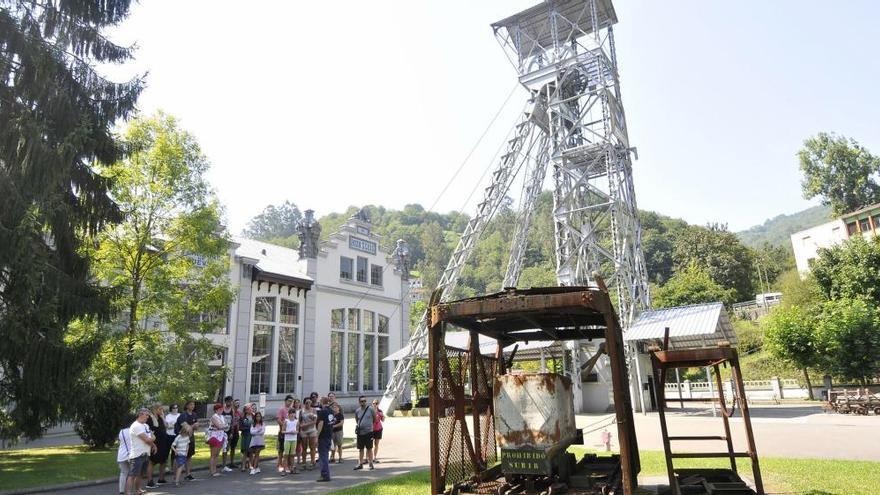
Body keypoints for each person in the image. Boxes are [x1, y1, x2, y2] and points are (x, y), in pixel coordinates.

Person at [126, 408, 157, 495]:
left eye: (148, 415)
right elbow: (147, 439)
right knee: (132, 475)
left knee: (140, 474)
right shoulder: (136, 426)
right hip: (137, 454)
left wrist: (154, 445)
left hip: (145, 453)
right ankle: (128, 493)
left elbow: (151, 435)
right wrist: (153, 439)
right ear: (140, 415)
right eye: (146, 415)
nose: (148, 417)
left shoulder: (145, 425)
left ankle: (138, 490)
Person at [145, 403, 169, 487]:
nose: (162, 411)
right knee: (152, 461)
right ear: (155, 409)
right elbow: (152, 429)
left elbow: (166, 426)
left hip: (163, 442)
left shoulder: (161, 417)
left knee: (163, 460)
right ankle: (150, 481)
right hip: (155, 442)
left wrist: (162, 417)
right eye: (160, 409)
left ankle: (161, 479)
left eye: (162, 409)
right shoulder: (150, 418)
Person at [174, 400, 199, 481]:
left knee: (189, 456)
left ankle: (188, 474)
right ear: (187, 406)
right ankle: (176, 476)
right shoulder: (183, 415)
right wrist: (193, 425)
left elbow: (197, 427)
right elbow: (186, 429)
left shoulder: (194, 414)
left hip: (191, 438)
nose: (193, 406)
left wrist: (194, 426)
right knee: (180, 457)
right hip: (182, 439)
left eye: (194, 404)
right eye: (191, 404)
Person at [353, 396, 375, 471]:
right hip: (360, 433)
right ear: (359, 402)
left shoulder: (371, 409)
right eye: (362, 401)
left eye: (364, 401)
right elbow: (357, 420)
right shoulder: (357, 411)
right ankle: (360, 464)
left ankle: (370, 463)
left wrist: (369, 426)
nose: (363, 402)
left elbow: (374, 419)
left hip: (369, 432)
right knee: (360, 449)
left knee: (369, 448)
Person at [207, 403, 228, 477]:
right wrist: (222, 426)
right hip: (214, 436)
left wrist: (222, 426)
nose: (221, 410)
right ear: (216, 410)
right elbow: (220, 426)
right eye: (219, 409)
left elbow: (226, 425)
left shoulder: (222, 416)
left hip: (221, 436)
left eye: (221, 409)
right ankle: (212, 471)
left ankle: (214, 470)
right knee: (213, 455)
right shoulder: (214, 417)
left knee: (217, 455)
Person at [315, 396, 333, 482]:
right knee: (325, 455)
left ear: (322, 402)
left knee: (323, 457)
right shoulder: (331, 411)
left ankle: (325, 475)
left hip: (323, 436)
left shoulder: (322, 412)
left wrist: (316, 436)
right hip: (329, 435)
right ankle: (326, 474)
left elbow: (320, 424)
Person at [276, 395, 294, 473]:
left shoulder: (292, 410)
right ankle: (280, 464)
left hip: (291, 433)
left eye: (291, 401)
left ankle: (289, 465)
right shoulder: (282, 409)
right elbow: (279, 420)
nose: (290, 402)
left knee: (290, 450)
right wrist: (284, 427)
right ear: (285, 401)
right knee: (281, 450)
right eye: (289, 401)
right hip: (283, 433)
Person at [170, 423, 192, 487]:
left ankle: (176, 479)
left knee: (180, 467)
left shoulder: (187, 437)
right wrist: (175, 450)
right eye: (186, 432)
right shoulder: (178, 437)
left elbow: (187, 445)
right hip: (178, 453)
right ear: (183, 431)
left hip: (183, 454)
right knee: (178, 467)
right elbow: (172, 445)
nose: (186, 434)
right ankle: (176, 480)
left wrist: (186, 452)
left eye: (188, 433)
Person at [116, 416, 133, 495]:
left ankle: (121, 491)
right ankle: (129, 491)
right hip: (131, 455)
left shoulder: (121, 431)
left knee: (123, 473)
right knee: (132, 473)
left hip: (121, 455)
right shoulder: (133, 430)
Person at [300, 398, 318, 469]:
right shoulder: (302, 411)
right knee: (304, 447)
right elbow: (300, 420)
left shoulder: (314, 410)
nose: (308, 404)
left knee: (312, 446)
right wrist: (302, 426)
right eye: (307, 403)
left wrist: (306, 425)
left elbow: (315, 421)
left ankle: (312, 461)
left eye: (310, 402)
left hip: (312, 430)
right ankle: (304, 462)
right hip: (304, 430)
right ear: (304, 403)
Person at [219, 396, 236, 471]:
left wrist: (232, 432)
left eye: (231, 401)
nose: (230, 403)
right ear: (225, 402)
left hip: (228, 431)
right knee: (219, 448)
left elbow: (233, 422)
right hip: (221, 431)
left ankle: (224, 465)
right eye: (228, 401)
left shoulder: (232, 410)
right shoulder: (222, 410)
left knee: (226, 448)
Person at [281, 406, 299, 475]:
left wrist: (295, 432)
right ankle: (284, 469)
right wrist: (289, 432)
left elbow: (297, 430)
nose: (292, 414)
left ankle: (292, 468)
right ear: (288, 414)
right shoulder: (286, 421)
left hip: (294, 439)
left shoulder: (296, 421)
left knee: (292, 455)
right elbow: (282, 431)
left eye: (293, 413)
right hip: (287, 439)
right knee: (286, 455)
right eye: (291, 413)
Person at [164, 404, 180, 470]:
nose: (175, 409)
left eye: (176, 407)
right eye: (174, 408)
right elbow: (167, 426)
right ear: (171, 409)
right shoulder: (168, 416)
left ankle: (173, 466)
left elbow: (179, 425)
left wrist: (173, 425)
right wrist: (174, 425)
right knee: (167, 451)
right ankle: (166, 466)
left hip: (177, 435)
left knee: (175, 451)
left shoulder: (179, 415)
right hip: (169, 435)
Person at [238, 403, 254, 472]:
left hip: (253, 436)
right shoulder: (242, 417)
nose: (250, 410)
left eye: (251, 408)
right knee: (245, 451)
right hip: (245, 435)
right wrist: (248, 428)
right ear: (245, 410)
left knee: (251, 451)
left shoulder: (254, 416)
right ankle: (243, 466)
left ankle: (251, 465)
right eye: (248, 409)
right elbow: (240, 427)